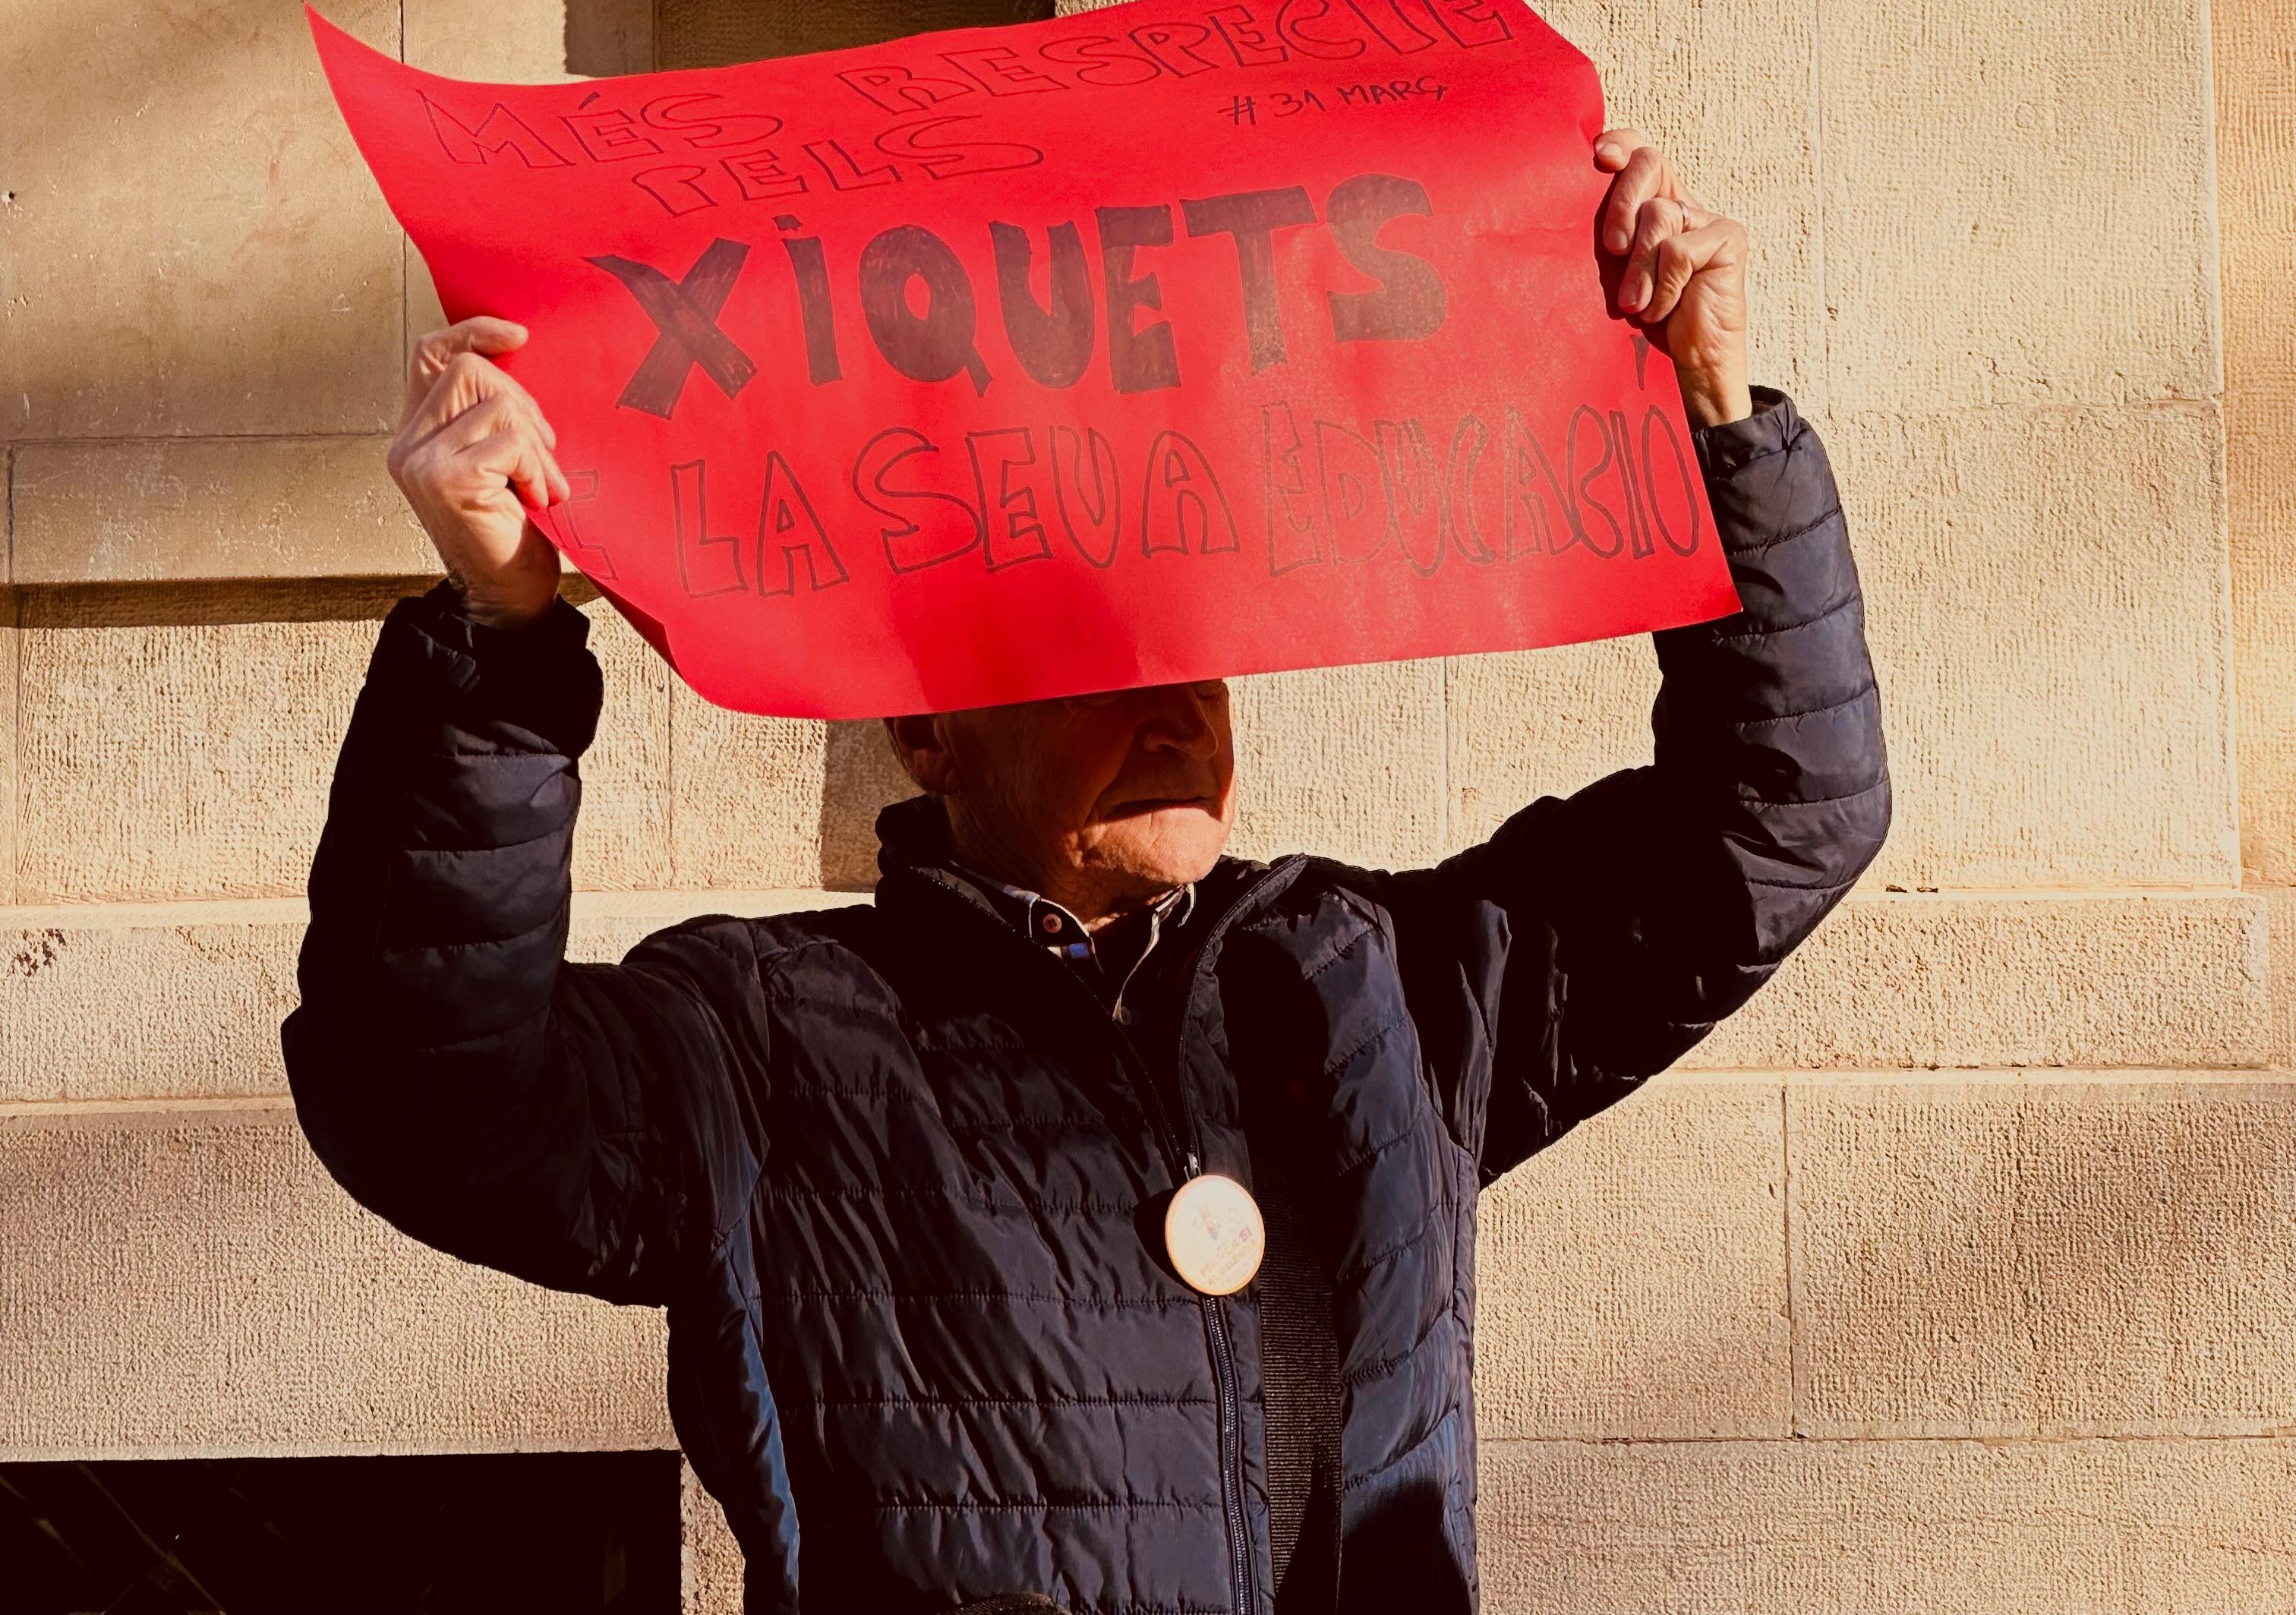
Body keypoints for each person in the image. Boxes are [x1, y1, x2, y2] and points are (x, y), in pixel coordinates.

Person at [285, 128, 1889, 1614]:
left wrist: (1713, 424)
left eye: (1200, 644)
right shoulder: (762, 1041)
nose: (1174, 699)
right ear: (929, 733)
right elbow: (430, 1105)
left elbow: (1782, 816)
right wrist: (500, 644)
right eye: (1094, 652)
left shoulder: (1381, 985)